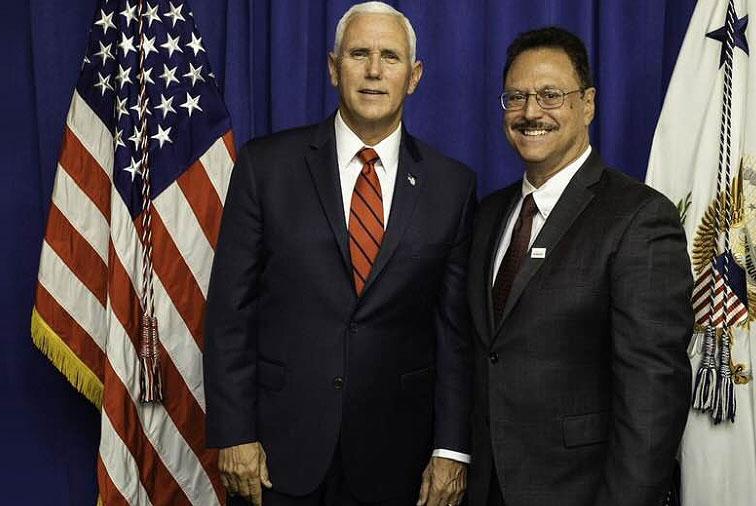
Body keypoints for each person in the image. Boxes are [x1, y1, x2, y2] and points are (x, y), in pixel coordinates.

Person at [204, 2, 475, 505]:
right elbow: (229, 312)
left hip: (400, 459)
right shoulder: (266, 167)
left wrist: (453, 449)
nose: (374, 70)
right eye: (359, 54)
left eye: (390, 57)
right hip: (278, 455)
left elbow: (454, 333)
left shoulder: (452, 186)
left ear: (414, 77)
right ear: (333, 68)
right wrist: (234, 431)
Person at [466, 27, 693, 506]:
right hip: (487, 488)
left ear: (587, 104)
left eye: (551, 95)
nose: (531, 113)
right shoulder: (488, 215)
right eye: (516, 97)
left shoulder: (639, 218)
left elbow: (653, 395)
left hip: (582, 491)